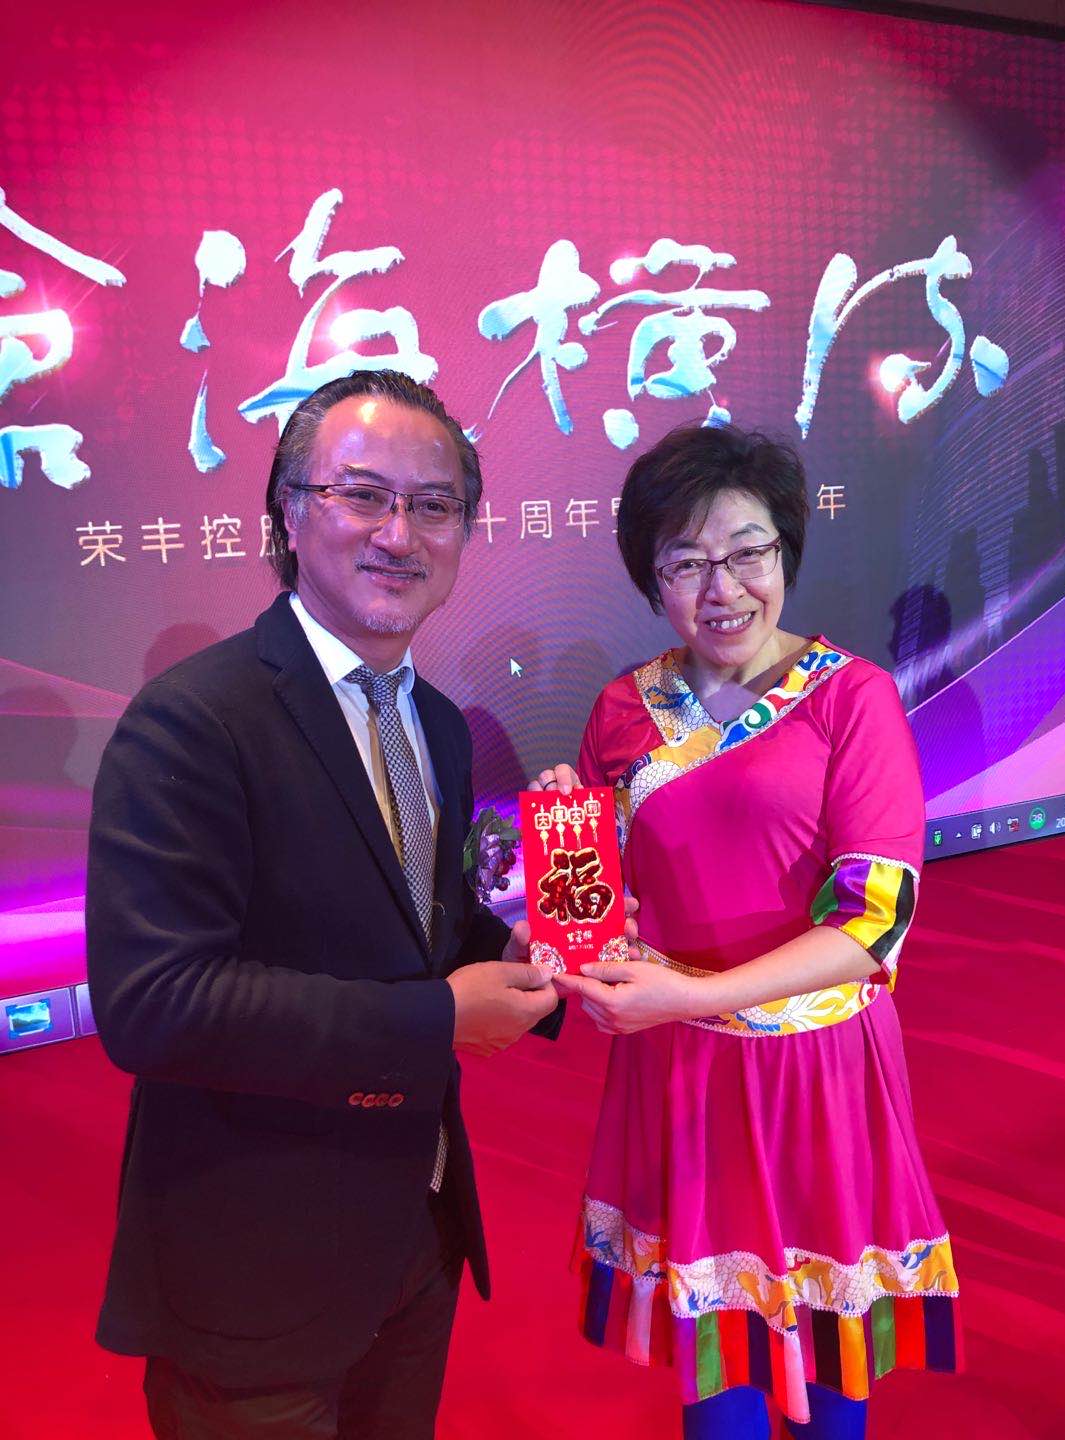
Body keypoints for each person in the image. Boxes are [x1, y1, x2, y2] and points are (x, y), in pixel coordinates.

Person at [86, 369, 564, 1439]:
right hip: (253, 1272)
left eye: (434, 505)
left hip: (415, 1242)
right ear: (290, 513)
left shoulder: (440, 724)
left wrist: (533, 952)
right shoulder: (194, 719)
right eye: (362, 495)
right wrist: (438, 1020)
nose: (400, 533)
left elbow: (424, 923)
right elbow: (156, 1004)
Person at [545, 423, 959, 1439]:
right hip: (683, 1076)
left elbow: (872, 924)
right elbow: (607, 909)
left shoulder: (852, 699)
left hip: (819, 1074)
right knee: (717, 1367)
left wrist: (691, 995)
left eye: (747, 553)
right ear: (651, 578)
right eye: (686, 562)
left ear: (786, 552)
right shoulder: (622, 710)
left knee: (828, 1363)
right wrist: (568, 862)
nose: (722, 588)